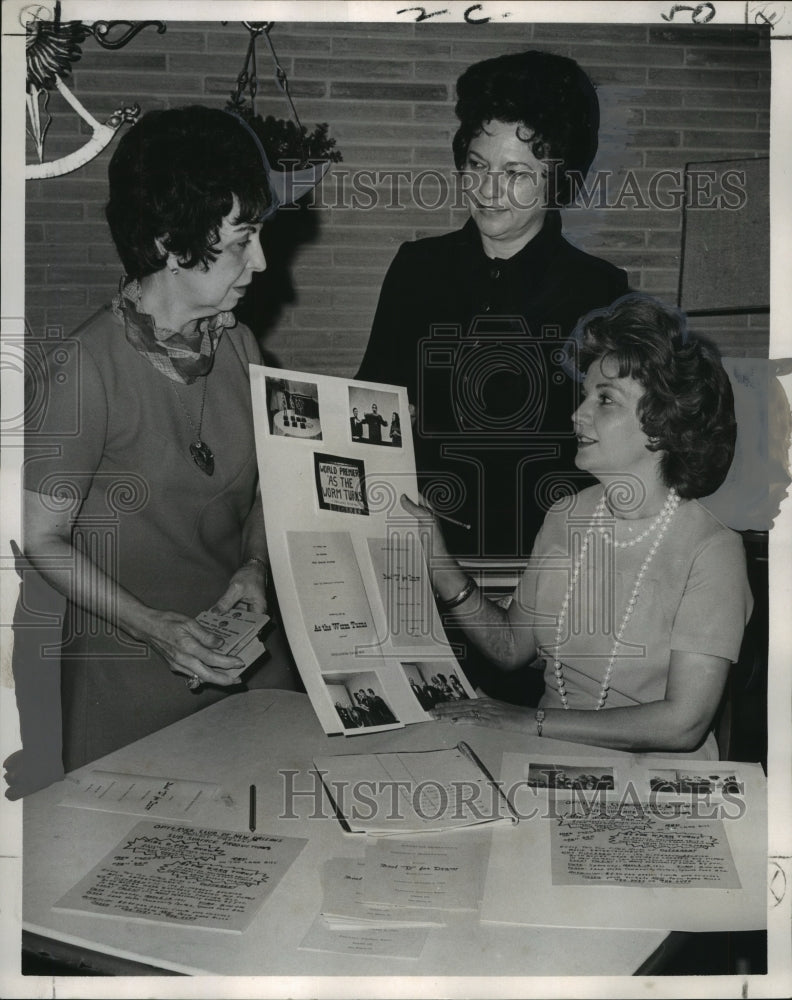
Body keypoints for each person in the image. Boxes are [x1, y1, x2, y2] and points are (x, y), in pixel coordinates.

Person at [9, 106, 315, 793]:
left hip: (251, 666)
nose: (263, 261)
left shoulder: (237, 344)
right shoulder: (83, 368)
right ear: (173, 246)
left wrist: (255, 570)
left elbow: (268, 489)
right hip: (132, 681)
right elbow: (39, 536)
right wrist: (153, 628)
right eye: (243, 240)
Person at [403, 295, 753, 758]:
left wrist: (529, 722)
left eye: (605, 399)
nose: (578, 414)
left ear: (663, 426)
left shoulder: (713, 549)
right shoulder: (565, 515)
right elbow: (512, 647)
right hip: (548, 757)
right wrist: (438, 561)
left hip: (659, 779)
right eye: (586, 395)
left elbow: (683, 724)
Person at [357, 50, 628, 562]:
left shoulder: (601, 291)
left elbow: (614, 448)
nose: (486, 190)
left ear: (559, 181)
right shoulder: (417, 268)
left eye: (516, 173)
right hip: (422, 546)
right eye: (478, 165)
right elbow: (372, 399)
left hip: (550, 554)